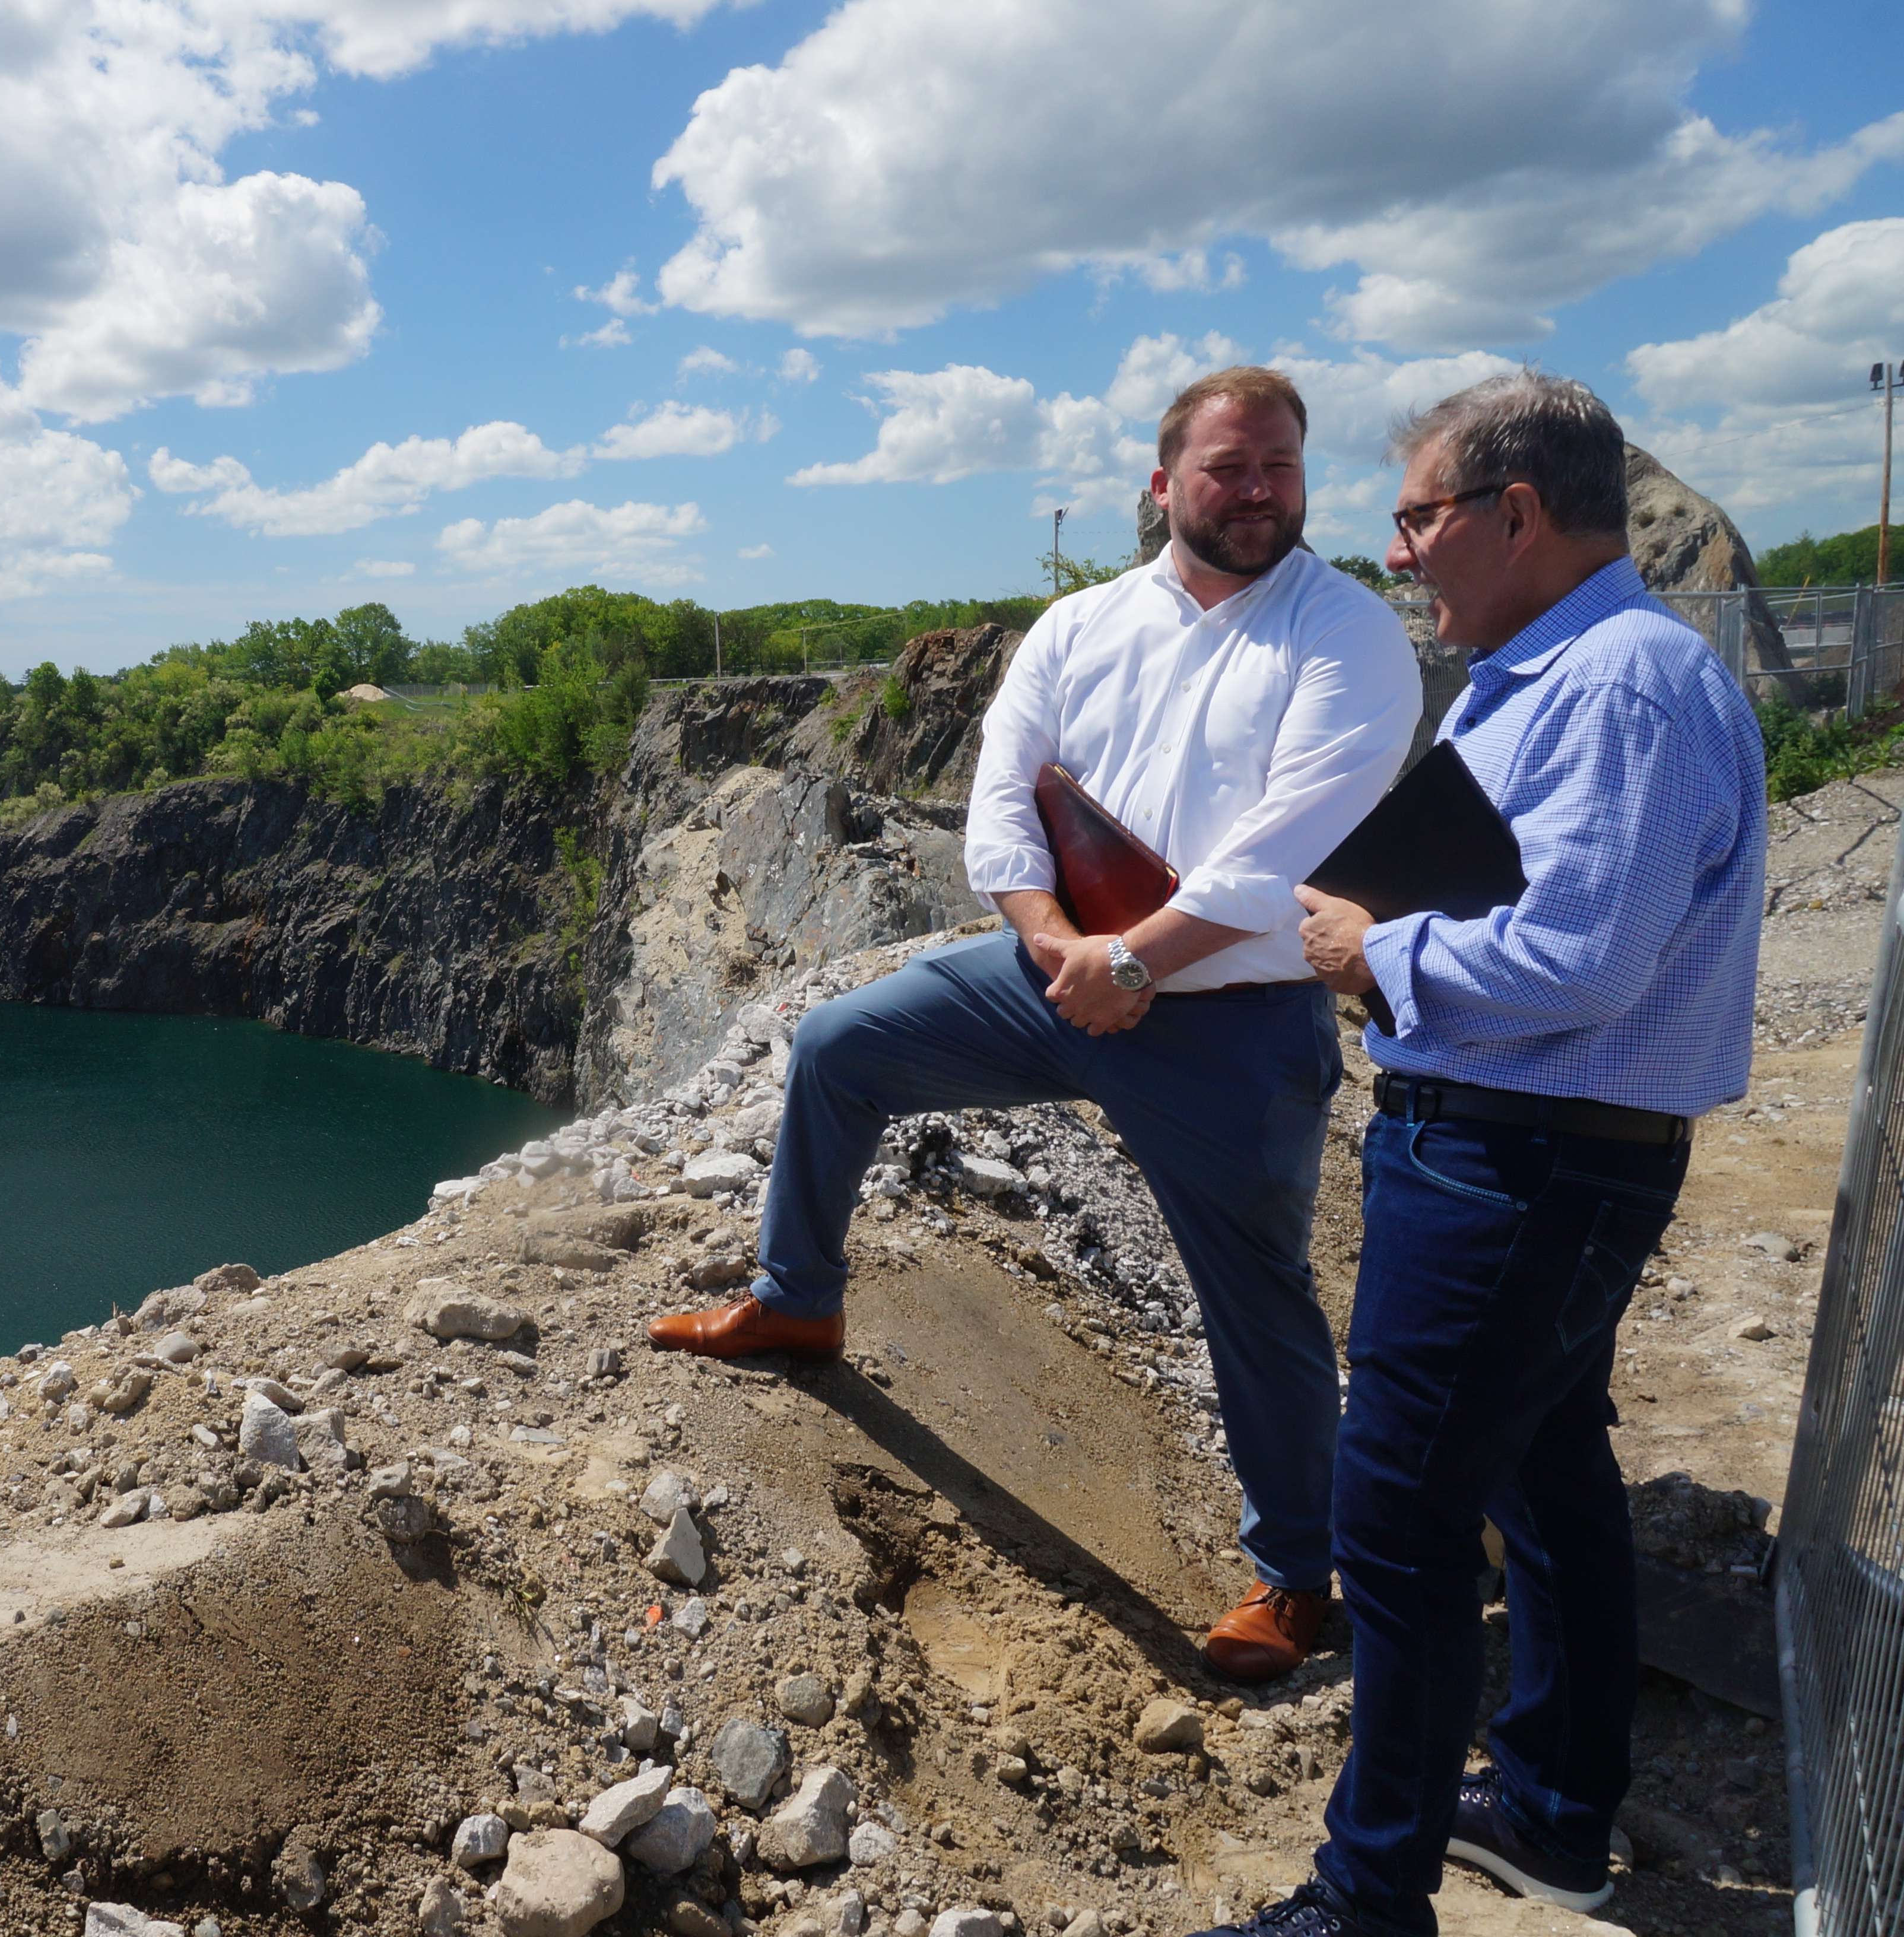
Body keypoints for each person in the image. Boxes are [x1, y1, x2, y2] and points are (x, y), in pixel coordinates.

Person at [645, 366, 1422, 1683]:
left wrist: (1135, 959)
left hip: (1227, 1022)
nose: (1255, 491)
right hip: (1052, 975)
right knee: (839, 1048)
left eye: (1279, 466)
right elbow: (1001, 799)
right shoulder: (1077, 626)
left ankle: (1295, 1576)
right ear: (1160, 483)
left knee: (1257, 1299)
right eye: (1227, 466)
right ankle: (796, 1302)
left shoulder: (1346, 634)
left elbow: (1285, 841)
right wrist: (1058, 947)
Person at [1205, 371, 1765, 1937]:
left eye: (1417, 519)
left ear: (1516, 514)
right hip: (1540, 1156)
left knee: (1392, 1522)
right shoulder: (1583, 672)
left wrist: (1377, 951)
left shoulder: (1617, 689)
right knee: (1545, 1473)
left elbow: (1584, 957)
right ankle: (1553, 1813)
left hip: (1523, 1165)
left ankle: (1365, 1900)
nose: (1401, 556)